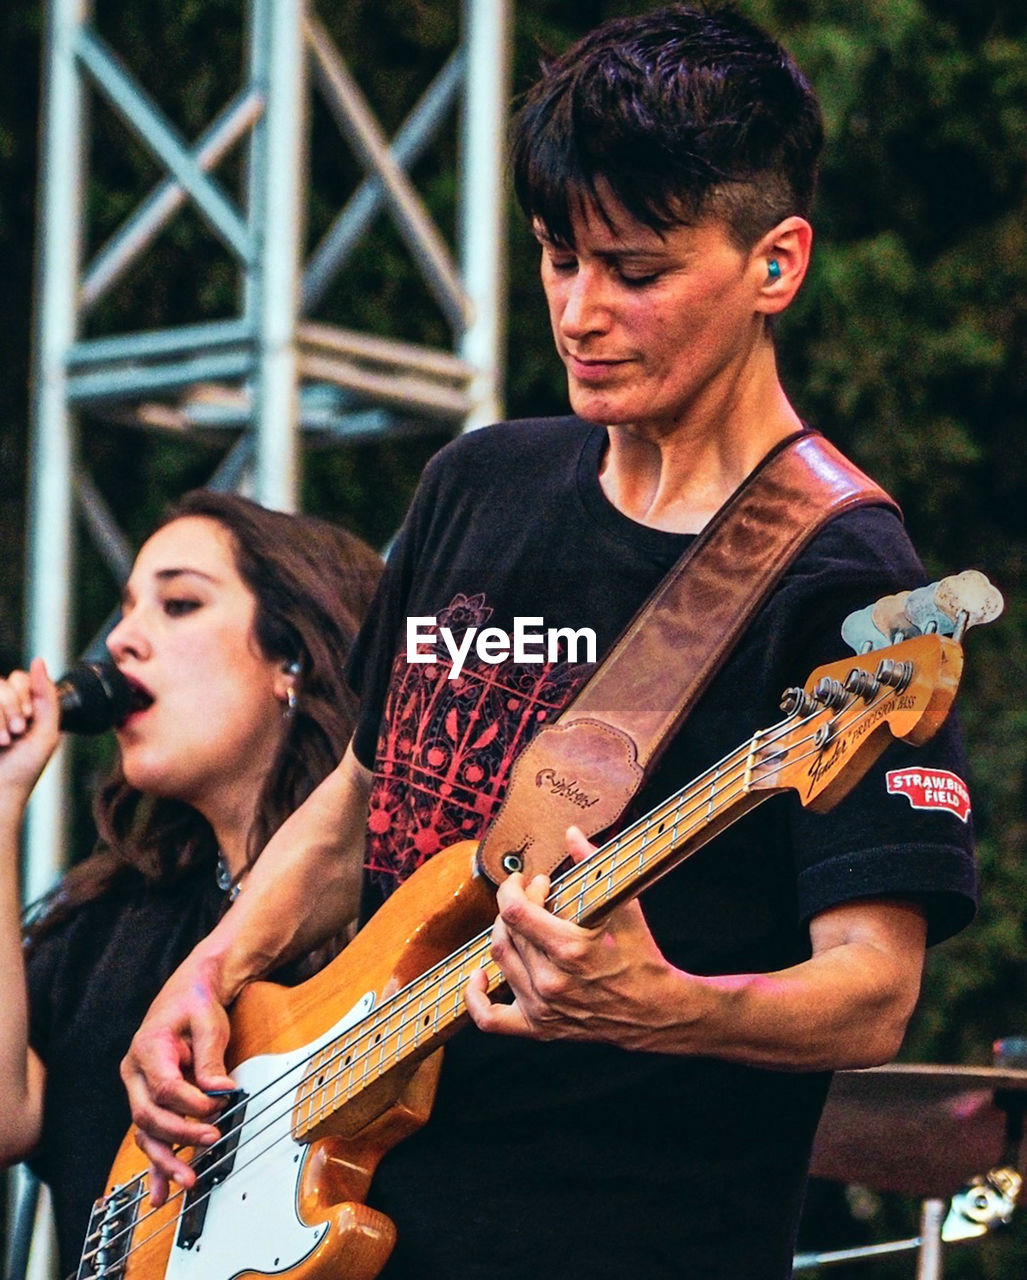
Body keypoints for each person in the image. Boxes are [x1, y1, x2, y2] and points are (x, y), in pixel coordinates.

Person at [119, 8, 978, 1279]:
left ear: (775, 263)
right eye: (554, 257)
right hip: (326, 1213)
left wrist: (664, 1004)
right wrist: (212, 963)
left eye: (633, 271)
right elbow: (362, 794)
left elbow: (872, 985)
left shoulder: (842, 577)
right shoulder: (478, 483)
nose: (579, 311)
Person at [0, 490, 382, 1278]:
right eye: (125, 610)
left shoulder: (398, 894)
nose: (121, 641)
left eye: (178, 604)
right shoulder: (104, 923)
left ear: (293, 656)